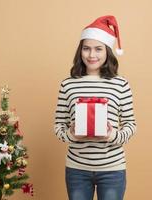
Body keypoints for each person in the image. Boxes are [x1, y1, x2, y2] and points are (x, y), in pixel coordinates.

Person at [54, 15, 137, 200]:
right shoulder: (68, 84)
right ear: (80, 51)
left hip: (112, 170)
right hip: (77, 169)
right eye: (86, 49)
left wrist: (112, 135)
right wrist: (71, 134)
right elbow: (58, 126)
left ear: (107, 51)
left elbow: (131, 126)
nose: (92, 55)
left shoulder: (120, 84)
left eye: (98, 49)